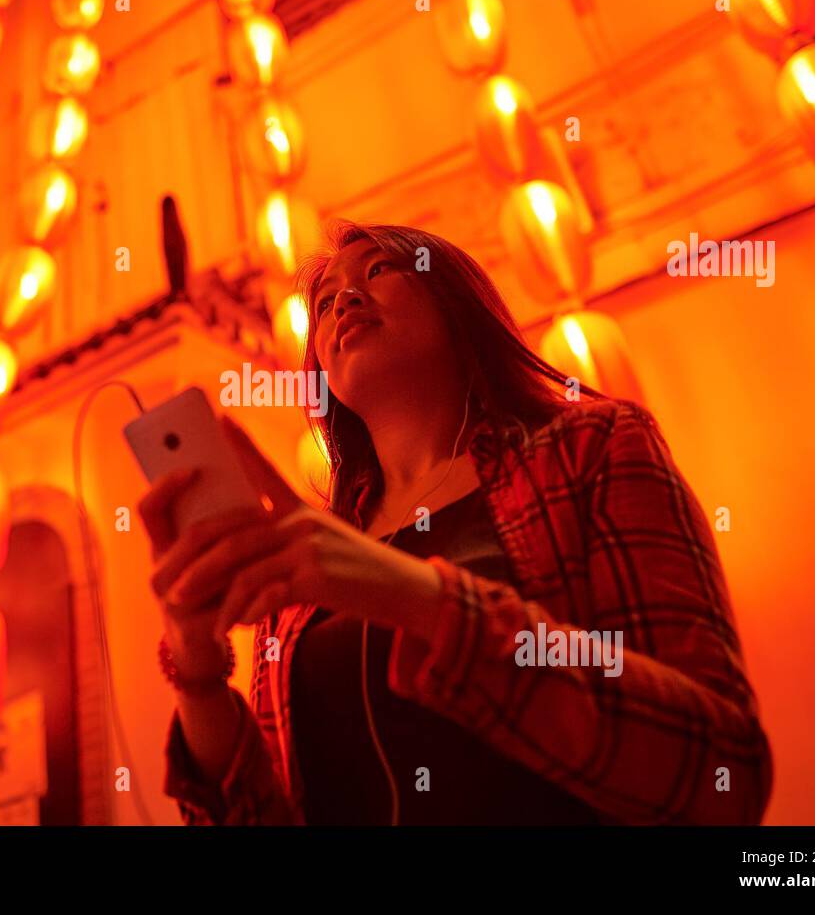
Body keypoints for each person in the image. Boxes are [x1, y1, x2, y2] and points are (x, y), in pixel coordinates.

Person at [139, 221, 773, 825]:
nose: (343, 302)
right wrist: (196, 674)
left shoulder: (592, 448)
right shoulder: (304, 568)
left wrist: (418, 596)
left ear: (457, 300)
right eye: (325, 303)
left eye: (380, 268)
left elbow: (723, 772)